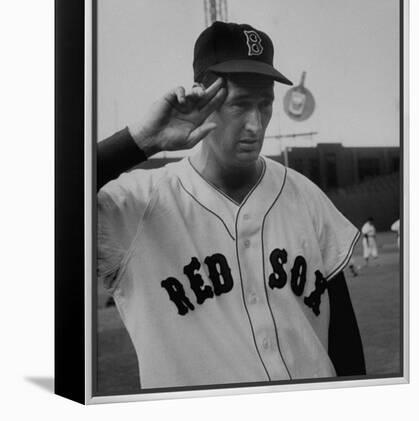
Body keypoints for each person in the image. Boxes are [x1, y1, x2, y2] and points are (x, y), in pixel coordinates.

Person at [97, 21, 365, 389]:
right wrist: (141, 140)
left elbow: (345, 340)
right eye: (240, 104)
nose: (255, 124)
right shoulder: (136, 205)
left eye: (265, 105)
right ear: (202, 98)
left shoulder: (304, 194)